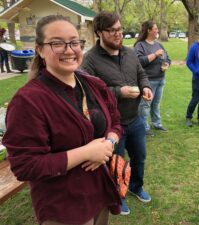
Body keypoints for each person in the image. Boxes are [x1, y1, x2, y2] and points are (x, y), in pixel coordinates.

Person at [3, 15, 123, 225]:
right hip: (64, 208)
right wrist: (87, 152)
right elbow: (25, 166)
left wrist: (109, 143)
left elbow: (115, 122)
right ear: (40, 50)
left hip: (100, 194)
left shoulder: (93, 84)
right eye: (57, 43)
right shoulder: (28, 101)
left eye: (75, 42)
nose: (69, 50)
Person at [81, 11, 153, 216]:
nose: (117, 34)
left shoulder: (129, 53)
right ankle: (117, 196)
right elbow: (89, 94)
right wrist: (118, 92)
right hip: (112, 125)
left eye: (119, 29)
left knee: (140, 157)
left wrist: (146, 86)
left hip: (135, 119)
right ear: (99, 32)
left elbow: (141, 74)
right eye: (111, 30)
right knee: (115, 163)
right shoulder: (90, 60)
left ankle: (136, 187)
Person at [134, 20, 171, 136]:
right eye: (155, 28)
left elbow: (167, 58)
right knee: (145, 105)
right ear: (149, 30)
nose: (157, 30)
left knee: (156, 104)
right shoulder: (140, 45)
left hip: (160, 79)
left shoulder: (159, 44)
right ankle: (144, 127)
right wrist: (155, 55)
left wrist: (166, 65)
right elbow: (140, 61)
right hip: (148, 80)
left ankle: (157, 123)